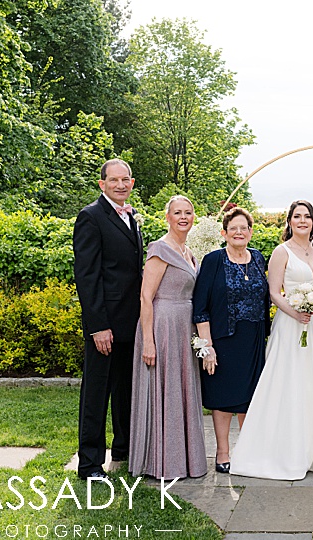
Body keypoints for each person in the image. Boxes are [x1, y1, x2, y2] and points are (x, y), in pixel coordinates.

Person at [230, 200, 313, 480]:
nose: (302, 221)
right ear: (289, 221)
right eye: (297, 216)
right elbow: (274, 291)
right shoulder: (281, 251)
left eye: (307, 217)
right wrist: (296, 312)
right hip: (291, 323)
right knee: (290, 379)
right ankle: (286, 444)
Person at [73, 158, 143, 480]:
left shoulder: (132, 217)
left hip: (130, 321)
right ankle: (89, 464)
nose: (120, 185)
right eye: (113, 180)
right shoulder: (90, 217)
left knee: (125, 390)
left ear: (131, 183)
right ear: (102, 184)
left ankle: (123, 450)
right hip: (105, 324)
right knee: (97, 394)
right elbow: (87, 277)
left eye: (125, 179)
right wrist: (98, 326)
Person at [129, 196, 207, 479]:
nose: (183, 217)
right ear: (167, 217)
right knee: (165, 390)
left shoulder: (189, 252)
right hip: (162, 327)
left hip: (184, 327)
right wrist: (148, 341)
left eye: (188, 212)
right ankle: (160, 461)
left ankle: (184, 459)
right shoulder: (160, 249)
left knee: (181, 389)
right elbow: (145, 297)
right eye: (177, 213)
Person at [192, 207, 269, 474]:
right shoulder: (213, 260)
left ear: (250, 232)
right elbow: (200, 306)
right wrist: (207, 346)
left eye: (244, 228)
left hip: (254, 338)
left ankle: (246, 451)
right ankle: (222, 451)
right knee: (223, 397)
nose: (239, 232)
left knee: (249, 397)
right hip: (223, 339)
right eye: (233, 228)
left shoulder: (258, 258)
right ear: (224, 233)